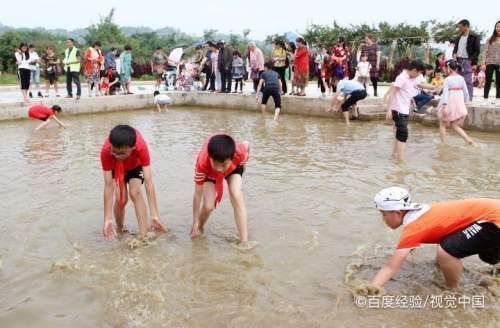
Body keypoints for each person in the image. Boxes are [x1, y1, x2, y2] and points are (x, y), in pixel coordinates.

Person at [370, 187, 500, 290]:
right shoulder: (421, 211)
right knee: (488, 257)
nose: (383, 219)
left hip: (494, 218)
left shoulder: (414, 227)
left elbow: (391, 267)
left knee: (446, 253)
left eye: (383, 214)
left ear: (397, 212)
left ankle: (452, 290)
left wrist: (371, 288)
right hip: (492, 214)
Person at [100, 125, 167, 241]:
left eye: (122, 153)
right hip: (115, 168)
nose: (117, 156)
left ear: (133, 147)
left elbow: (148, 182)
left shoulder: (141, 146)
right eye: (114, 152)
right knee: (122, 198)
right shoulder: (106, 151)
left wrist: (154, 215)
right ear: (110, 145)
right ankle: (120, 228)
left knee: (135, 192)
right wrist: (107, 219)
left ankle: (143, 236)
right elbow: (108, 186)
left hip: (135, 166)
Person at [190, 134, 250, 244]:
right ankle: (199, 227)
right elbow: (197, 195)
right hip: (209, 173)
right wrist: (195, 222)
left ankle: (244, 241)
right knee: (208, 206)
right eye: (216, 164)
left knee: (236, 194)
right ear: (210, 157)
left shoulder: (239, 152)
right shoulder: (202, 163)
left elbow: (247, 145)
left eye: (223, 165)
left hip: (233, 167)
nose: (219, 169)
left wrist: (243, 166)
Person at [383, 60, 425, 161]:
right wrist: (389, 110)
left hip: (404, 109)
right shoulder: (402, 77)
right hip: (397, 109)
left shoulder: (411, 77)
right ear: (414, 70)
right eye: (419, 73)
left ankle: (394, 155)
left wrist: (435, 87)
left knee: (399, 133)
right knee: (403, 134)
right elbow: (392, 93)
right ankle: (400, 160)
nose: (419, 75)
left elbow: (414, 88)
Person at [437, 60, 476, 146]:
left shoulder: (447, 79)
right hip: (458, 103)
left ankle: (444, 144)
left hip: (449, 103)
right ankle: (468, 140)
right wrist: (466, 101)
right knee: (454, 125)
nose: (444, 69)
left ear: (449, 68)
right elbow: (466, 92)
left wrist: (444, 106)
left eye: (445, 68)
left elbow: (446, 94)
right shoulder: (461, 78)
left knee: (442, 124)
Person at [453, 19, 481, 101]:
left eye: (460, 27)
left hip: (467, 60)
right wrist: (454, 54)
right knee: (458, 79)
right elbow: (455, 48)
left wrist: (473, 62)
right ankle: (460, 98)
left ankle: (469, 99)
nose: (459, 29)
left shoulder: (474, 36)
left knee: (468, 80)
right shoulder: (458, 37)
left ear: (466, 26)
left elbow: (477, 50)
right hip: (458, 60)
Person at [482, 20, 500, 103]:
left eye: (499, 27)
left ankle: (498, 99)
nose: (498, 28)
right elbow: (485, 51)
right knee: (488, 81)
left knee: (499, 82)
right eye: (497, 27)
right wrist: (483, 63)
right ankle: (485, 98)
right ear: (495, 28)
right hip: (490, 62)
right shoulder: (490, 39)